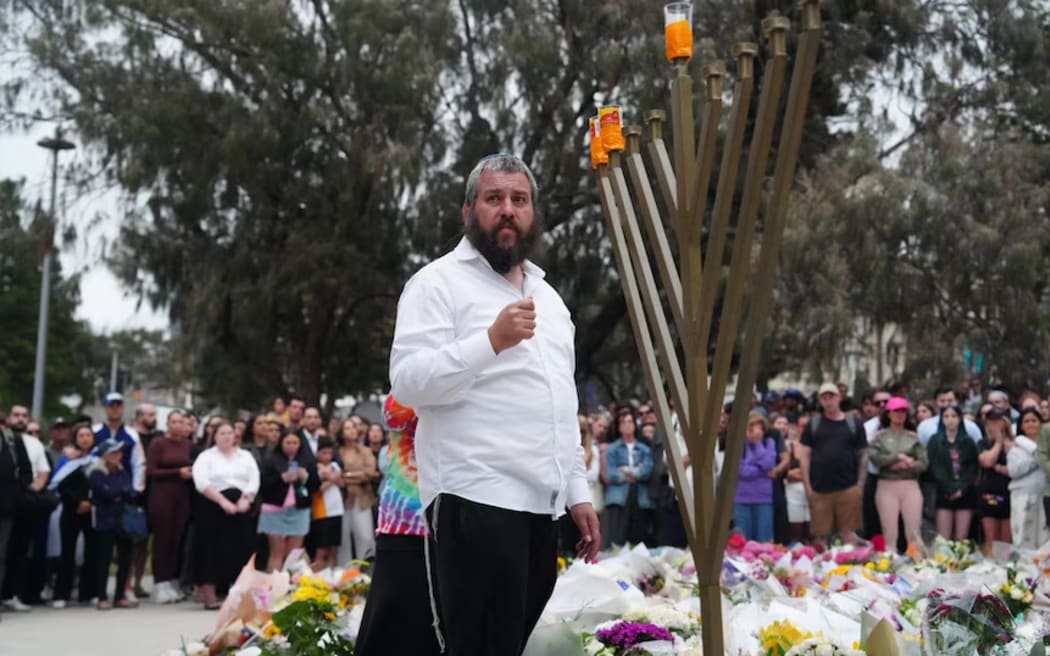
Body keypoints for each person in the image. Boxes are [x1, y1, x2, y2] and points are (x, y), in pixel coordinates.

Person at [389, 153, 599, 656]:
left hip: (541, 505)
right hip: (474, 495)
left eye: (519, 199)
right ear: (469, 210)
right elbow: (408, 383)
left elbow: (559, 401)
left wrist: (577, 488)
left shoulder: (550, 299)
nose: (507, 209)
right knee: (476, 645)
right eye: (494, 199)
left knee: (513, 642)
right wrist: (490, 341)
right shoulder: (437, 283)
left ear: (533, 212)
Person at [354, 396, 441, 656]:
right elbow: (395, 415)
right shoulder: (407, 387)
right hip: (405, 518)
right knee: (392, 615)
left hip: (451, 517)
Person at [192, 421, 260, 608]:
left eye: (230, 433)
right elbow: (202, 482)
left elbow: (254, 479)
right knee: (210, 550)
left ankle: (240, 594)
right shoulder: (206, 457)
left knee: (241, 548)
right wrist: (222, 501)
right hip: (213, 505)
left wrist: (246, 499)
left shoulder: (245, 456)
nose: (227, 436)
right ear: (215, 436)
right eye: (222, 433)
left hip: (240, 506)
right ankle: (210, 595)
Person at [799, 383, 868, 544]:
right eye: (824, 397)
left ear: (839, 398)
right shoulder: (813, 425)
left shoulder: (854, 423)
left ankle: (850, 566)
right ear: (820, 401)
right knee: (820, 537)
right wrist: (808, 487)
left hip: (849, 487)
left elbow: (864, 454)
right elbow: (805, 456)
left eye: (832, 397)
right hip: (819, 489)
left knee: (849, 535)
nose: (828, 401)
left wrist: (860, 485)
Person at [3, 405, 51, 611]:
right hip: (3, 501)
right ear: (8, 418)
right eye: (16, 415)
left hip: (21, 502)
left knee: (17, 550)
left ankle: (10, 594)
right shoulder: (5, 439)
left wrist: (30, 490)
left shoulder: (33, 443)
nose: (20, 419)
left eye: (24, 416)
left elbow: (41, 472)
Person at [145, 409, 193, 604]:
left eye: (182, 422)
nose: (179, 425)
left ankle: (172, 580)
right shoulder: (158, 444)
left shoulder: (189, 445)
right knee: (162, 539)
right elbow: (151, 471)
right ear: (168, 424)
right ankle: (159, 582)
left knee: (177, 539)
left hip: (182, 496)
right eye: (174, 422)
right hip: (162, 495)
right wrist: (176, 472)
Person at [868, 398, 927, 553]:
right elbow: (876, 458)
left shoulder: (913, 437)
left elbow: (924, 463)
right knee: (890, 534)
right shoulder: (879, 437)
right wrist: (898, 458)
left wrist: (911, 465)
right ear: (888, 414)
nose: (900, 414)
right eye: (896, 411)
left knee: (913, 534)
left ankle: (917, 566)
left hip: (909, 484)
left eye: (903, 411)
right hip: (887, 485)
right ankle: (890, 566)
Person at [50, 423, 97, 608]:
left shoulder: (98, 460)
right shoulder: (68, 461)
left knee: (91, 552)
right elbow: (60, 486)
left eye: (88, 435)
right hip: (71, 511)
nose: (85, 439)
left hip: (92, 511)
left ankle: (89, 592)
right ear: (75, 439)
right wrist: (77, 502)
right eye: (81, 436)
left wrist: (90, 502)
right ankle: (61, 593)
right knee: (67, 553)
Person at [257, 432, 317, 572]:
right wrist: (281, 479)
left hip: (299, 509)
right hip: (275, 510)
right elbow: (262, 485)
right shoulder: (271, 459)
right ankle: (273, 589)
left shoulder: (307, 460)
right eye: (288, 443)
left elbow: (315, 485)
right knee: (277, 553)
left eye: (295, 443)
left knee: (294, 554)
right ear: (281, 443)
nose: (291, 446)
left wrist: (305, 477)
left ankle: (290, 589)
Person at [88, 438, 137, 610]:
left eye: (119, 452)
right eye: (114, 452)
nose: (118, 455)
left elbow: (129, 491)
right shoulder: (97, 471)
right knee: (104, 559)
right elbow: (104, 492)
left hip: (122, 520)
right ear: (105, 455)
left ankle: (119, 595)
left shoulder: (121, 470)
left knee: (125, 558)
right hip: (104, 520)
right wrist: (119, 492)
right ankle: (101, 595)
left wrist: (119, 492)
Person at [926, 405, 979, 541]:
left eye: (954, 416)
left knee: (961, 539)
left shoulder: (968, 441)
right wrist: (948, 488)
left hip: (965, 493)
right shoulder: (935, 441)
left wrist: (962, 488)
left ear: (960, 419)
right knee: (944, 539)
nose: (950, 420)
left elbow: (972, 467)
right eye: (946, 416)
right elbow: (934, 467)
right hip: (944, 494)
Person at [604, 408, 654, 546]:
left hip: (640, 495)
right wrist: (636, 470)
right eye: (623, 422)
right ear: (619, 427)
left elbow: (647, 471)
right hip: (619, 496)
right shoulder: (613, 449)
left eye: (630, 421)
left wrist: (626, 470)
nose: (627, 424)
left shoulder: (644, 449)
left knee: (639, 538)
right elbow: (612, 473)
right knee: (617, 538)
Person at [1005, 408, 1048, 549]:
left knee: (1044, 537)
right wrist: (1037, 457)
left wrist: (1041, 453)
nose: (1031, 424)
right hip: (1022, 497)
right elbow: (1013, 471)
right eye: (1027, 421)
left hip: (1044, 495)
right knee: (1023, 537)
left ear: (1041, 423)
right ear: (1021, 426)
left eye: (1034, 421)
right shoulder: (1016, 449)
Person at [337, 418, 379, 563]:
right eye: (348, 428)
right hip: (342, 499)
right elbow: (335, 474)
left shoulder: (365, 451)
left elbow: (369, 473)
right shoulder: (338, 452)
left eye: (354, 427)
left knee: (365, 536)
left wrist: (346, 475)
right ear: (342, 433)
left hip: (362, 498)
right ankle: (344, 572)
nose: (352, 430)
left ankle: (365, 570)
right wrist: (354, 475)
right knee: (342, 538)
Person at [733, 412, 778, 542]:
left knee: (765, 540)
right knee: (742, 539)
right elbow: (742, 471)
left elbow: (769, 463)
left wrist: (758, 445)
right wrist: (762, 471)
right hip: (742, 499)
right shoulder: (739, 446)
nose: (753, 433)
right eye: (750, 429)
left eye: (757, 429)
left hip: (763, 499)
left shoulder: (769, 443)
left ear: (763, 430)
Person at [977, 407, 1013, 548]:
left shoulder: (1014, 442)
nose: (995, 424)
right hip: (989, 492)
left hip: (1009, 493)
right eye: (991, 421)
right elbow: (987, 462)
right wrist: (998, 442)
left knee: (1006, 541)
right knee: (991, 539)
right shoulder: (983, 443)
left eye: (998, 420)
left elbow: (1018, 466)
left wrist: (1006, 443)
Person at [309, 437, 343, 570]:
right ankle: (315, 576)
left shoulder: (335, 465)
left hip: (337, 509)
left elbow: (341, 482)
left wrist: (330, 477)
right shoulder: (314, 468)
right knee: (321, 548)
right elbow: (320, 488)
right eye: (324, 453)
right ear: (317, 453)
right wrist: (332, 478)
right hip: (322, 510)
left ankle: (332, 575)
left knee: (334, 547)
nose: (327, 456)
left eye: (330, 453)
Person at [783, 414, 810, 543]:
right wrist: (805, 473)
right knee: (795, 531)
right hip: (793, 492)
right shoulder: (789, 446)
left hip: (812, 491)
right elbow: (787, 473)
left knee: (810, 533)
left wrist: (799, 472)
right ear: (797, 427)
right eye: (802, 426)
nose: (805, 429)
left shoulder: (818, 446)